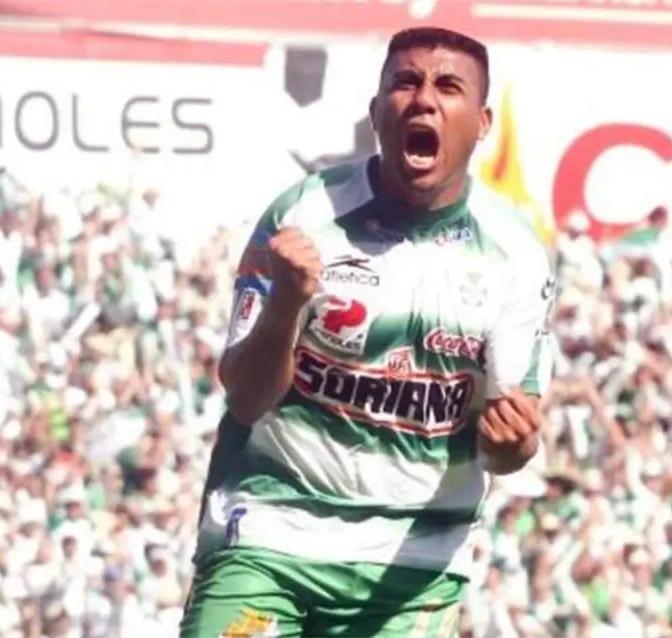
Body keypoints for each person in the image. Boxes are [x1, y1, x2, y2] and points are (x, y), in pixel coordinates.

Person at [180, 26, 555, 638]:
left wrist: (516, 443)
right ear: (377, 111)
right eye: (406, 82)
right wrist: (286, 305)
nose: (424, 99)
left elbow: (508, 444)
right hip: (271, 536)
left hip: (414, 570)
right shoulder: (304, 215)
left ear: (483, 122)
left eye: (448, 86)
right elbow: (245, 398)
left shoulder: (516, 253)